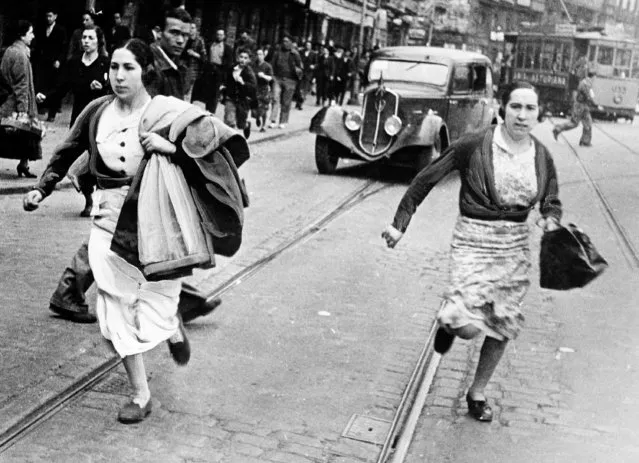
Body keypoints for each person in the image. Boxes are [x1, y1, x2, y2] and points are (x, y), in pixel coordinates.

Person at [23, 38, 249, 424]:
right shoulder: (96, 110)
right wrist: (42, 187)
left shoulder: (167, 112)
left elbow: (213, 148)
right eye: (114, 67)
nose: (119, 76)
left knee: (157, 302)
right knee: (114, 308)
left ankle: (171, 323)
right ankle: (140, 395)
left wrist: (169, 148)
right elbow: (68, 148)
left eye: (129, 68)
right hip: (108, 222)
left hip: (157, 221)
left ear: (145, 71)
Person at [382, 81, 563, 423]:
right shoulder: (473, 145)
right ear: (502, 109)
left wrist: (551, 219)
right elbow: (425, 180)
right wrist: (399, 224)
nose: (522, 116)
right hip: (474, 240)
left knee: (502, 324)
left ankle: (477, 392)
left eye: (530, 109)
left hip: (514, 246)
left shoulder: (541, 155)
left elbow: (551, 197)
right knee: (467, 326)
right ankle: (450, 325)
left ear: (538, 115)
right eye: (516, 107)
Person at [45, 8, 218, 326]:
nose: (180, 39)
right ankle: (72, 291)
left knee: (134, 235)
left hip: (148, 161)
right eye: (174, 32)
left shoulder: (173, 65)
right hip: (131, 164)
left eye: (185, 34)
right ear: (158, 32)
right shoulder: (147, 64)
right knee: (124, 234)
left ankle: (177, 299)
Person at [36, 26, 110, 216]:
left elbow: (113, 92)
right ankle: (88, 198)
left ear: (98, 41)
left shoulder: (105, 63)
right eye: (83, 37)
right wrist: (47, 97)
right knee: (75, 160)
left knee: (96, 162)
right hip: (79, 120)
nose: (85, 41)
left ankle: (98, 201)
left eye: (90, 38)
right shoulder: (74, 63)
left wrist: (102, 88)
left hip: (100, 119)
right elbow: (62, 88)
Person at [0, 20, 42, 178]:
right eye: (30, 32)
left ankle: (24, 164)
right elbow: (21, 86)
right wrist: (23, 110)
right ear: (22, 35)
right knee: (23, 133)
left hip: (9, 100)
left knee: (24, 137)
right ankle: (23, 164)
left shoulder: (11, 51)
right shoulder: (19, 55)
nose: (33, 36)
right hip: (15, 102)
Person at [34, 8, 67, 122]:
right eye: (47, 16)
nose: (48, 18)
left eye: (50, 16)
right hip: (44, 62)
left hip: (55, 63)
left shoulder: (60, 30)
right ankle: (42, 108)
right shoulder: (42, 29)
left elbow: (63, 48)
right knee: (42, 85)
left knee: (54, 88)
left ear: (55, 16)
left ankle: (52, 113)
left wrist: (59, 60)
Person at [552, 70, 598, 147]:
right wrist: (595, 105)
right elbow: (588, 96)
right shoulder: (585, 83)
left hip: (584, 106)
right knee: (574, 123)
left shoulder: (588, 82)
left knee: (588, 123)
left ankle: (585, 141)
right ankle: (557, 129)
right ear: (593, 76)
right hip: (580, 106)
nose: (595, 79)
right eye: (595, 77)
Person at [192, 28, 233, 114]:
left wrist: (223, 74)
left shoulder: (227, 48)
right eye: (218, 34)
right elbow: (205, 56)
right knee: (206, 90)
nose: (219, 36)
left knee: (215, 92)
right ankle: (205, 108)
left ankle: (211, 111)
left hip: (219, 71)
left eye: (221, 35)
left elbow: (228, 63)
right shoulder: (210, 45)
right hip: (209, 69)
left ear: (224, 36)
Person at [268, 33, 301, 129]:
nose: (284, 43)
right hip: (278, 78)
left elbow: (301, 67)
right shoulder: (277, 53)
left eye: (287, 41)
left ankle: (283, 121)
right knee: (275, 98)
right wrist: (272, 76)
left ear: (291, 43)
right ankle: (273, 120)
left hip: (290, 80)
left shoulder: (295, 54)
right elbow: (272, 65)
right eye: (283, 41)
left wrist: (297, 72)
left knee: (286, 101)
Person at [221, 48, 256, 139]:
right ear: (237, 58)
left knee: (241, 123)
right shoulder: (232, 68)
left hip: (242, 100)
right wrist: (223, 86)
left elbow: (253, 88)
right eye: (241, 57)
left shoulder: (249, 72)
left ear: (249, 60)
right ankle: (228, 141)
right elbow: (226, 79)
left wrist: (243, 83)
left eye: (245, 58)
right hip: (231, 98)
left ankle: (246, 125)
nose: (242, 60)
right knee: (229, 121)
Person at [182, 22, 206, 102]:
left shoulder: (199, 40)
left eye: (192, 28)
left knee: (188, 92)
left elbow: (204, 57)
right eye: (189, 28)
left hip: (192, 69)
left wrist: (194, 54)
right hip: (182, 67)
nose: (190, 30)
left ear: (196, 30)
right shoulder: (184, 38)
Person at [252, 48, 273, 132]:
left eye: (260, 54)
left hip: (264, 89)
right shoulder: (254, 65)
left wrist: (263, 76)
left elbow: (270, 78)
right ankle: (257, 117)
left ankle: (263, 126)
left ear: (264, 55)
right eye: (257, 54)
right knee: (254, 109)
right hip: (255, 88)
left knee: (264, 108)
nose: (258, 56)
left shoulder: (268, 66)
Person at [295, 40, 317, 110]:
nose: (308, 46)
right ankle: (298, 102)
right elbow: (298, 60)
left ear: (311, 46)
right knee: (299, 88)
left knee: (305, 88)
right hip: (301, 72)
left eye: (309, 45)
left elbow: (316, 63)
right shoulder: (301, 52)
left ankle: (301, 104)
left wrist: (313, 66)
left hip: (309, 73)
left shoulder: (313, 54)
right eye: (307, 45)